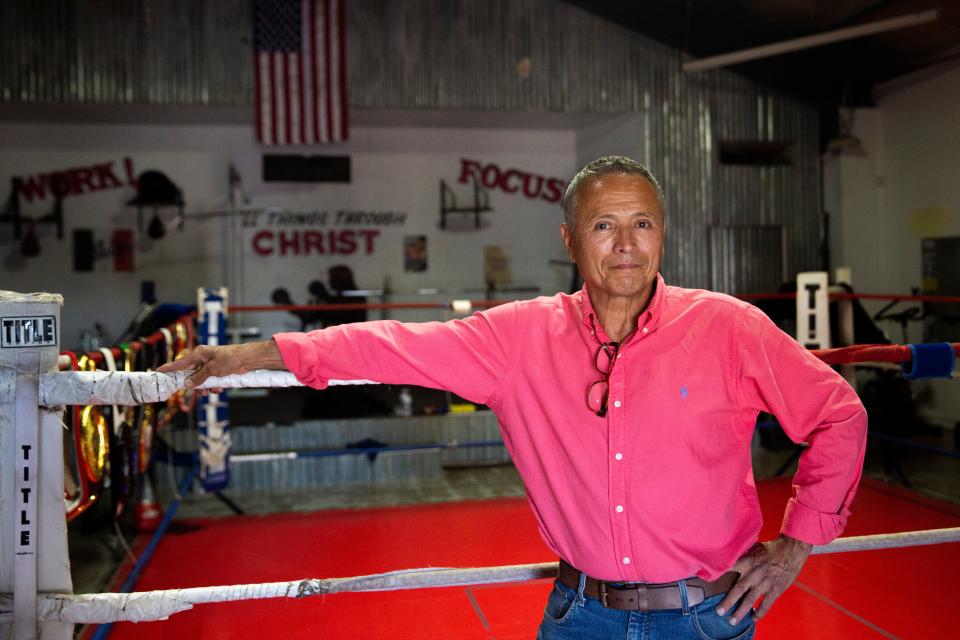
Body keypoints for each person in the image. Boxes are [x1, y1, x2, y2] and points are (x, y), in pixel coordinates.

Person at [159, 156, 867, 639]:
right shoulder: (519, 339)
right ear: (569, 239)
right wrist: (248, 357)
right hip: (581, 616)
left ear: (663, 232)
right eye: (603, 226)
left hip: (709, 616)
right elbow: (389, 346)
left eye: (642, 223)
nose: (626, 245)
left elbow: (838, 414)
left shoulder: (726, 327)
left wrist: (798, 544)